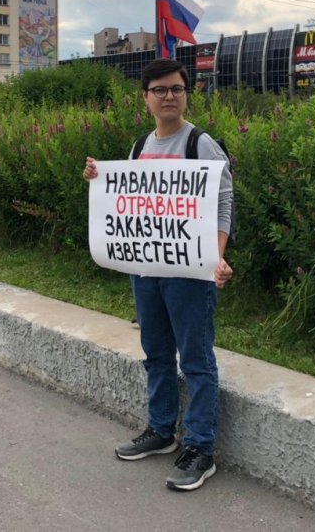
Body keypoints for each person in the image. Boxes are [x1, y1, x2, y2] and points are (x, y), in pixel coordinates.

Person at [83, 58, 233, 492]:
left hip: (191, 274)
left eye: (177, 89)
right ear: (146, 98)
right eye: (160, 90)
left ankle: (200, 448)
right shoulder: (139, 147)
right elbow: (126, 200)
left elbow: (223, 203)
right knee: (156, 352)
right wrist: (97, 179)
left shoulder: (201, 144)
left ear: (186, 94)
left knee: (197, 359)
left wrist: (217, 258)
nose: (169, 96)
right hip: (147, 271)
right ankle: (162, 430)